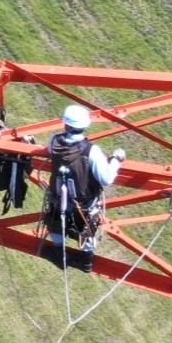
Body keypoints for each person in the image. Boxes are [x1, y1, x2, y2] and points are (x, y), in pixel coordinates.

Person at [41, 104, 125, 265]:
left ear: (66, 125)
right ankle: (86, 260)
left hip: (58, 200)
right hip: (84, 204)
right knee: (87, 227)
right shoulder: (91, 151)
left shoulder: (54, 141)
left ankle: (59, 252)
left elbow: (52, 152)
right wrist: (116, 160)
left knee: (56, 222)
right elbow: (106, 179)